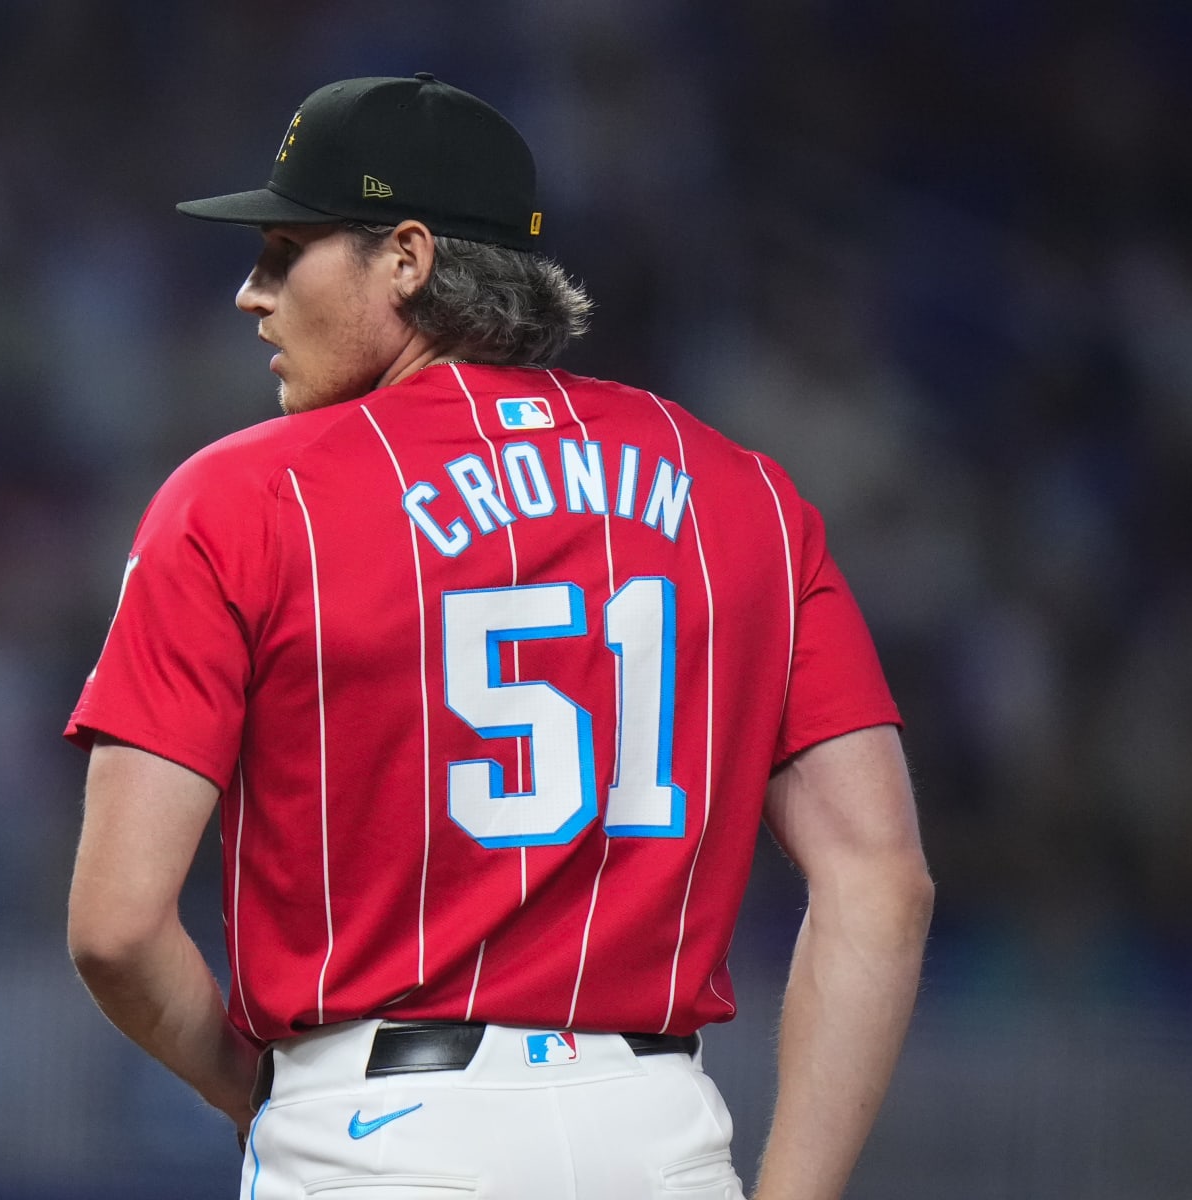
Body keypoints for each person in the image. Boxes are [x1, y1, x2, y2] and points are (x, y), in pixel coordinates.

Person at [64, 72, 933, 1200]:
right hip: (662, 1139)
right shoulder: (746, 495)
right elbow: (883, 880)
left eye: (286, 248)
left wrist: (257, 1091)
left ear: (408, 259)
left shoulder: (248, 497)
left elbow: (118, 929)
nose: (252, 292)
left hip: (379, 1136)